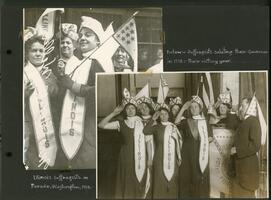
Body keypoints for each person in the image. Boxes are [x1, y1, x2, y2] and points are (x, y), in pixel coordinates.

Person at [56, 17, 105, 169]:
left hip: (89, 121)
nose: (83, 38)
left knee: (86, 161)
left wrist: (73, 86)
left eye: (88, 35)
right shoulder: (81, 61)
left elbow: (100, 91)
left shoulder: (99, 61)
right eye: (81, 34)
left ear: (98, 41)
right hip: (75, 120)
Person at [98, 89, 147, 199]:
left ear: (136, 110)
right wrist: (114, 113)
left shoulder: (142, 122)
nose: (130, 110)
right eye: (128, 108)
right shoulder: (120, 123)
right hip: (125, 156)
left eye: (132, 108)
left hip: (140, 155)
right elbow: (101, 125)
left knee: (138, 180)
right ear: (125, 111)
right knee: (126, 180)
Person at [24, 29, 59, 170]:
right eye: (34, 51)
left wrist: (48, 88)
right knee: (34, 165)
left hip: (48, 126)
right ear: (27, 53)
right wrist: (25, 94)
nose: (38, 54)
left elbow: (57, 96)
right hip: (29, 127)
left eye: (41, 51)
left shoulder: (50, 74)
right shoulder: (23, 73)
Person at [175, 96, 213, 198]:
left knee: (198, 177)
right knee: (187, 177)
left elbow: (210, 138)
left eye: (196, 107)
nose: (193, 109)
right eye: (191, 107)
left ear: (200, 108)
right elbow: (176, 122)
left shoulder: (205, 122)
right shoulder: (186, 121)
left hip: (200, 153)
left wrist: (205, 139)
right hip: (187, 153)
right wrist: (183, 108)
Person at [143, 103, 182, 199]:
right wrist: (153, 119)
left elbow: (179, 142)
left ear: (169, 115)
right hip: (159, 159)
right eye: (161, 114)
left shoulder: (174, 127)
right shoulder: (156, 127)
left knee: (172, 183)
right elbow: (145, 131)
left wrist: (179, 157)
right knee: (160, 183)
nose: (163, 116)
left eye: (165, 114)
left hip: (173, 160)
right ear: (158, 116)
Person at [230, 97, 261, 198]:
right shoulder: (243, 122)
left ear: (249, 105)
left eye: (242, 106)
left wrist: (237, 150)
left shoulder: (253, 121)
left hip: (247, 174)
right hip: (239, 173)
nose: (240, 108)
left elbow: (256, 145)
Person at [136, 96, 156, 198]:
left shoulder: (155, 120)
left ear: (150, 108)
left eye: (146, 107)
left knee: (150, 170)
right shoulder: (137, 120)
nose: (143, 109)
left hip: (152, 148)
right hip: (139, 149)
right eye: (141, 107)